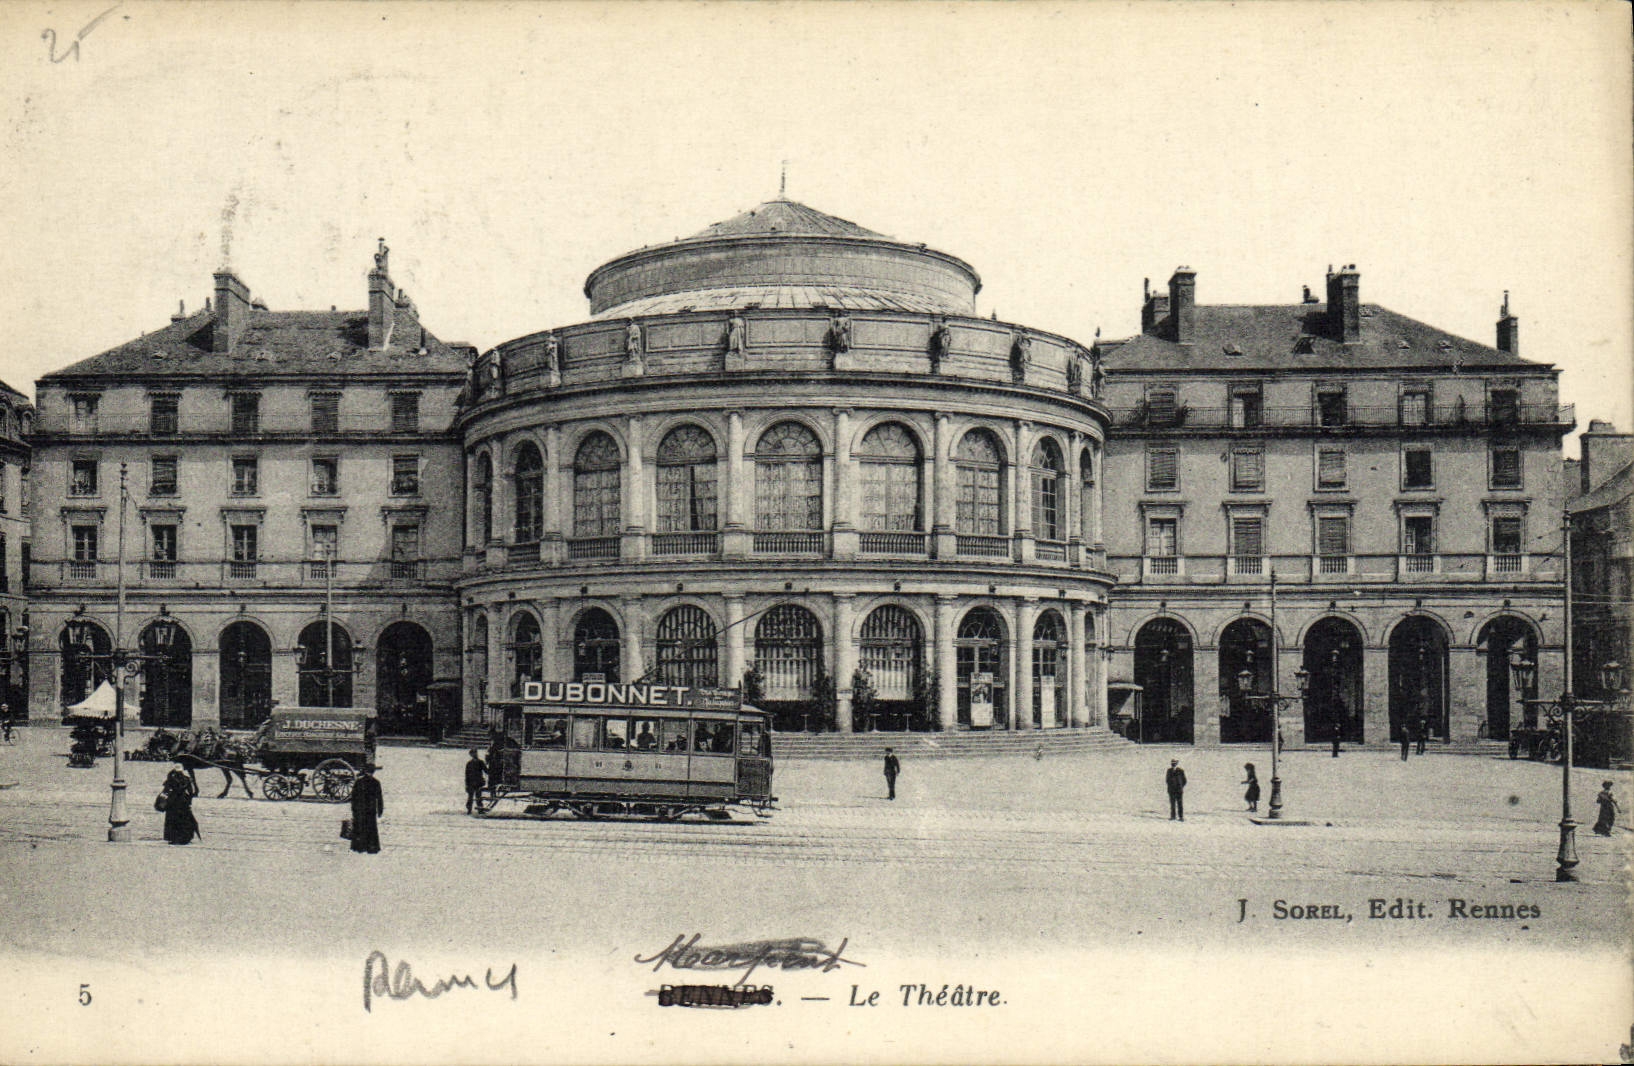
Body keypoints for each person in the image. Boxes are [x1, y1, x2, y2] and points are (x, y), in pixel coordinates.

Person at [160, 763, 200, 845]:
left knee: (172, 820)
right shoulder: (187, 779)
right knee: (185, 819)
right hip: (183, 801)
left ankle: (173, 838)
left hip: (173, 801)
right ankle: (186, 837)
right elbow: (191, 792)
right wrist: (189, 802)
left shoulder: (171, 779)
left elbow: (166, 790)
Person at [349, 763, 384, 854]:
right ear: (373, 772)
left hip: (360, 809)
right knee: (371, 828)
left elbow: (353, 797)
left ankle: (359, 847)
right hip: (371, 809)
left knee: (360, 827)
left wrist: (353, 809)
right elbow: (379, 798)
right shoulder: (376, 782)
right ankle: (371, 848)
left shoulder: (359, 782)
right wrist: (380, 811)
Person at [464, 748, 486, 815]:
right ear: (471, 754)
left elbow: (485, 770)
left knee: (478, 796)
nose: (475, 754)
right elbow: (467, 774)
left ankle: (479, 809)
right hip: (471, 782)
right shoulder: (469, 763)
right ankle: (469, 809)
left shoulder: (480, 762)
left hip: (478, 782)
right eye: (473, 753)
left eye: (475, 753)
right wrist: (466, 784)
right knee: (471, 797)